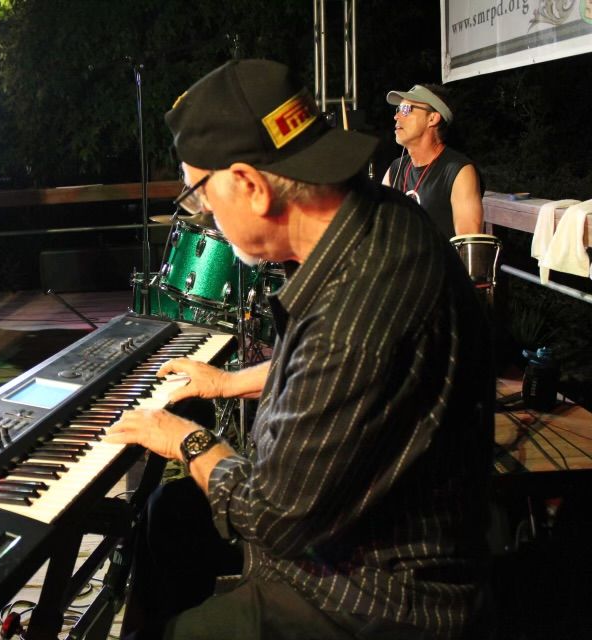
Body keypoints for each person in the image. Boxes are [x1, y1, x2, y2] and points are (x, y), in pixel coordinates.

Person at [107, 60, 495, 639]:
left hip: (379, 596)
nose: (205, 213)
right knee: (171, 516)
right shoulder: (372, 221)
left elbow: (275, 517)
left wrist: (185, 440)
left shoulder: (360, 301)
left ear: (251, 186)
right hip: (348, 534)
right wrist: (224, 383)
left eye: (201, 194)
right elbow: (328, 376)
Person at [381, 84, 484, 239]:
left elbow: (468, 242)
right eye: (398, 110)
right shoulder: (396, 168)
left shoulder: (457, 171)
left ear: (432, 118)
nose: (397, 117)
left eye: (406, 109)